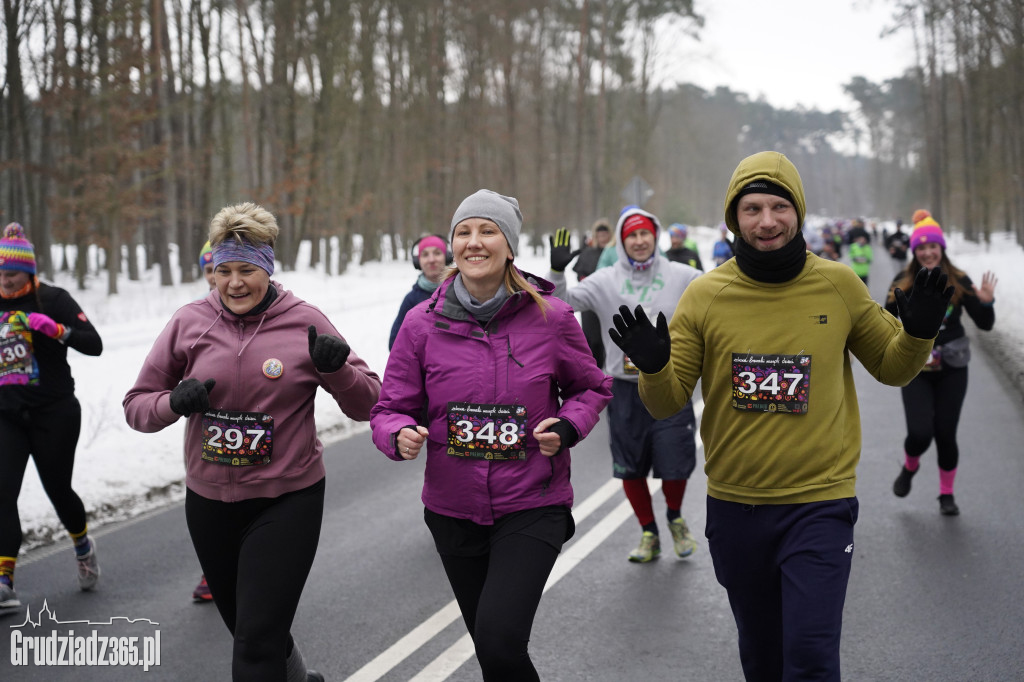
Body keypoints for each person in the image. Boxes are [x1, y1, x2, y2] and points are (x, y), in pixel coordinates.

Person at [608, 151, 952, 680]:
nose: (766, 221)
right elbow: (667, 402)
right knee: (763, 658)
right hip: (736, 507)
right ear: (734, 218)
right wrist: (654, 368)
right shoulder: (705, 295)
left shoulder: (838, 284)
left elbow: (892, 367)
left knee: (811, 659)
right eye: (752, 209)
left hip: (819, 503)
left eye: (778, 207)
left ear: (798, 212)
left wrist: (919, 333)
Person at [124, 202, 381, 681]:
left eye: (247, 270)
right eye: (223, 271)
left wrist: (337, 371)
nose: (234, 283)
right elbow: (136, 406)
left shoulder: (304, 320)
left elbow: (371, 403)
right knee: (251, 629)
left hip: (287, 500)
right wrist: (172, 403)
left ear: (268, 268)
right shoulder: (188, 322)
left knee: (256, 642)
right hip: (210, 505)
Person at [370, 189, 612, 682]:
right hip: (452, 508)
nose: (473, 242)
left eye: (488, 231)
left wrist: (568, 426)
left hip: (532, 504)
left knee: (501, 638)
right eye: (463, 232)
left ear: (510, 246)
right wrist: (398, 434)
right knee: (491, 651)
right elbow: (390, 407)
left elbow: (591, 388)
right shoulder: (421, 324)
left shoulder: (551, 317)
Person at [549, 207, 703, 563]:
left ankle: (675, 517)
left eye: (644, 233)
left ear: (655, 236)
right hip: (624, 388)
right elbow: (560, 304)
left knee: (675, 459)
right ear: (621, 241)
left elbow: (717, 297)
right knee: (630, 465)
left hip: (671, 383)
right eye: (631, 235)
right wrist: (557, 272)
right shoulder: (605, 279)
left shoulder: (682, 275)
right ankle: (649, 532)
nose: (639, 241)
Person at [0, 222, 103, 610]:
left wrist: (59, 331)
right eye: (0, 274)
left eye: (12, 274)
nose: (5, 281)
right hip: (7, 414)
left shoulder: (53, 299)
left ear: (28, 272)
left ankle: (82, 545)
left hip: (54, 413)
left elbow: (94, 344)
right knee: (2, 492)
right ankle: (4, 580)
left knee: (58, 490)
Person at [886, 217, 996, 515]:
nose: (927, 253)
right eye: (921, 248)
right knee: (920, 433)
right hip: (915, 368)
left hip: (953, 366)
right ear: (914, 252)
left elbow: (985, 324)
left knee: (946, 433)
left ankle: (946, 494)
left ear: (942, 248)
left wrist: (986, 303)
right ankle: (910, 466)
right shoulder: (902, 281)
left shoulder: (959, 279)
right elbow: (885, 322)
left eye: (933, 247)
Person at [192, 240, 216, 603]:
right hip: (207, 432)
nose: (217, 278)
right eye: (212, 271)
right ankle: (212, 571)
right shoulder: (192, 317)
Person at [388, 234, 452, 350]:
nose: (431, 260)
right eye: (425, 255)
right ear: (417, 261)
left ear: (447, 257)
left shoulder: (461, 293)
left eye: (437, 253)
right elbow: (395, 344)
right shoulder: (411, 300)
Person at [572, 219, 613, 367]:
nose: (602, 238)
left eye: (605, 235)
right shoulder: (588, 253)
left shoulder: (614, 253)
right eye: (599, 235)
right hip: (590, 300)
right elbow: (579, 274)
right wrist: (586, 281)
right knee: (592, 339)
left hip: (610, 300)